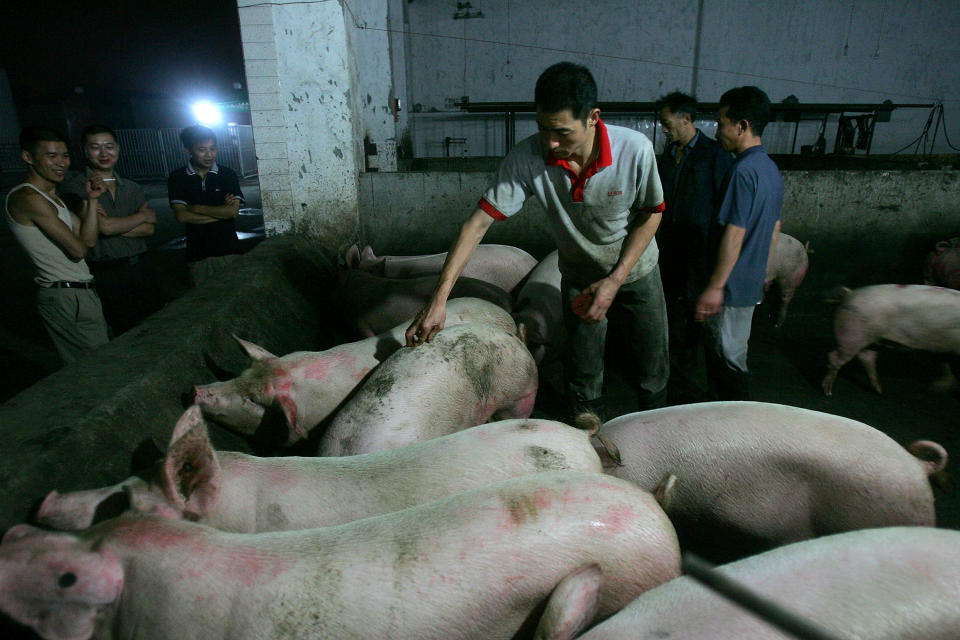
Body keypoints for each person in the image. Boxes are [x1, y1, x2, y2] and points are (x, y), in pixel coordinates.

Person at [405, 61, 669, 422]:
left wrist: (615, 279)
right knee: (583, 369)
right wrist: (439, 299)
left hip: (637, 271)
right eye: (543, 129)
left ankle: (655, 434)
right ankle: (589, 439)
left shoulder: (634, 150)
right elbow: (477, 224)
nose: (551, 142)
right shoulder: (527, 158)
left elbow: (651, 213)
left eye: (561, 132)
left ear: (593, 117)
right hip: (578, 274)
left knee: (652, 364)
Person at [694, 86, 783, 400]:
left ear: (742, 126)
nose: (718, 131)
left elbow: (735, 232)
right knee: (734, 352)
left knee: (727, 359)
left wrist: (716, 286)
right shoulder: (770, 170)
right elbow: (774, 228)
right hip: (749, 284)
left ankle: (733, 423)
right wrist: (764, 272)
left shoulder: (742, 171)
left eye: (722, 123)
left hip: (730, 289)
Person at [4, 126, 109, 363]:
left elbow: (89, 240)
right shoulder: (28, 198)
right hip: (63, 295)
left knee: (102, 363)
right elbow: (78, 249)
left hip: (79, 291)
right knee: (92, 371)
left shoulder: (52, 198)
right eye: (51, 156)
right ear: (28, 157)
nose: (61, 163)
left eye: (65, 156)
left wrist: (92, 201)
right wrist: (81, 234)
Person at [656, 91, 733, 402]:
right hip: (669, 246)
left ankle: (691, 368)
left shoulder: (714, 155)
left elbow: (723, 206)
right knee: (670, 304)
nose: (663, 128)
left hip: (699, 250)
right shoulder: (668, 155)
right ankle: (673, 365)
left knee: (694, 307)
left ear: (685, 119)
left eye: (666, 122)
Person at [60, 124, 164, 335]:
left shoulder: (131, 187)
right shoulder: (76, 187)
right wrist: (141, 217)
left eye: (109, 146)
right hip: (108, 272)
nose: (104, 153)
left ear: (118, 148)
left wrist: (110, 225)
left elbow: (148, 230)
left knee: (156, 324)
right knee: (125, 330)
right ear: (85, 151)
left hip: (141, 265)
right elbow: (105, 228)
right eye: (95, 147)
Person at [167, 125, 243, 286]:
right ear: (189, 150)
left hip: (229, 251)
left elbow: (232, 212)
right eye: (202, 150)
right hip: (198, 255)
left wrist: (196, 208)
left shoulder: (227, 175)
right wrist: (220, 213)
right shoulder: (178, 178)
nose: (209, 155)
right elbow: (181, 216)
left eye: (213, 149)